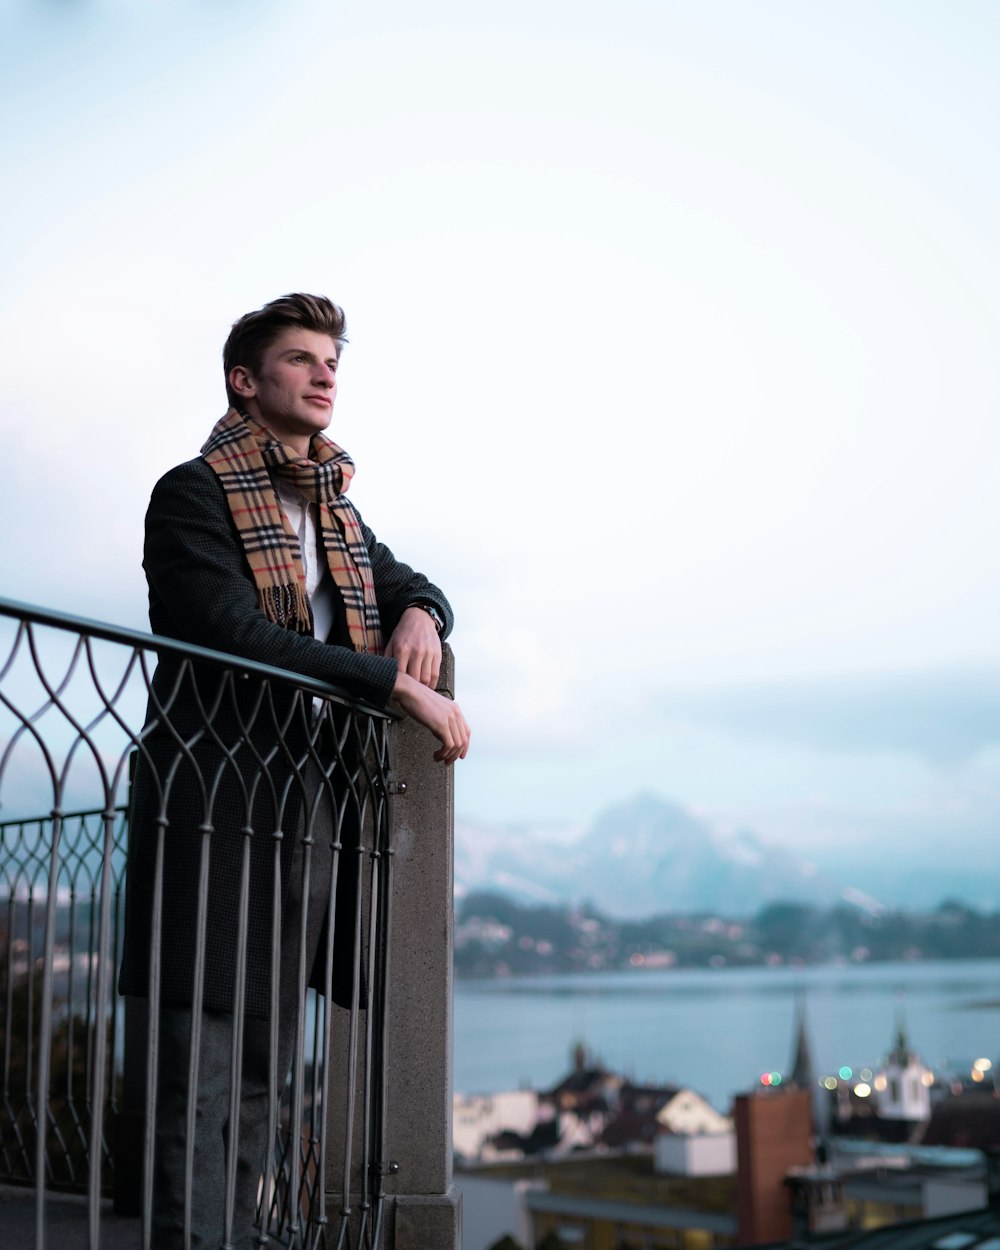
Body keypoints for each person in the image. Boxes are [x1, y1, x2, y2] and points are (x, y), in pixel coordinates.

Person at [118, 293, 470, 1248]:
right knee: (200, 1060)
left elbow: (416, 583)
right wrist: (395, 687)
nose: (326, 375)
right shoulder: (193, 492)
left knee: (272, 1058)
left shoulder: (337, 514)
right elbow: (228, 631)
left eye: (333, 362)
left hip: (306, 797)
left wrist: (420, 619)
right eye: (302, 359)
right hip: (213, 794)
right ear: (246, 379)